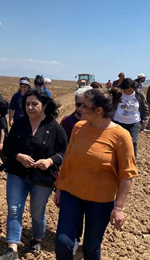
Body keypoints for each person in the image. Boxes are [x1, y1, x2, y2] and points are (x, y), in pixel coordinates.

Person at [54, 88, 138, 260]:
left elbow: (126, 174)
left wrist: (119, 208)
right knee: (63, 243)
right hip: (72, 194)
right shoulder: (78, 127)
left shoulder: (121, 136)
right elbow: (68, 160)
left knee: (91, 248)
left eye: (84, 106)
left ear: (99, 111)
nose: (79, 109)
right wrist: (60, 187)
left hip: (101, 201)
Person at [0, 88, 68, 260]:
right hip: (17, 173)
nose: (30, 107)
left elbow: (64, 152)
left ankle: (37, 238)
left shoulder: (55, 128)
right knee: (14, 209)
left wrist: (50, 161)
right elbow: (8, 147)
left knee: (37, 211)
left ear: (44, 105)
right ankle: (12, 248)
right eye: (27, 104)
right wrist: (18, 156)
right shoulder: (20, 124)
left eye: (34, 104)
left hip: (42, 178)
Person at [59, 86, 92, 255]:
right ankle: (75, 238)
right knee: (74, 207)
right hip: (71, 171)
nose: (81, 108)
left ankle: (89, 242)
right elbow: (60, 146)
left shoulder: (98, 124)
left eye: (84, 105)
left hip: (92, 175)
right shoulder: (67, 122)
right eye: (78, 104)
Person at [113, 78, 148, 159]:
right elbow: (111, 104)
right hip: (119, 122)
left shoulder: (139, 94)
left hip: (134, 122)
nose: (128, 92)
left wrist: (144, 121)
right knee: (118, 141)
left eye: (130, 90)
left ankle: (133, 158)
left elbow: (145, 107)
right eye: (126, 90)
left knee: (133, 141)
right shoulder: (118, 94)